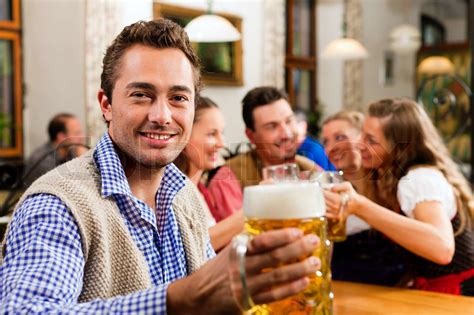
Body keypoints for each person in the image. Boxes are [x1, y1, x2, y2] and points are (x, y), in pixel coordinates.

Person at [0, 19, 322, 313]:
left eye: (179, 98)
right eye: (142, 94)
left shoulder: (185, 196)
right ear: (106, 104)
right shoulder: (58, 205)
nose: (162, 116)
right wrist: (179, 299)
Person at [328, 98, 474, 295]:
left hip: (461, 296)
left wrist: (360, 206)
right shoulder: (391, 180)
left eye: (370, 140)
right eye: (362, 134)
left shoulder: (419, 178)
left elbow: (442, 248)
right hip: (432, 292)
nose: (360, 145)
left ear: (398, 147)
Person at [321, 110, 407, 286]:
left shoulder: (391, 184)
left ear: (362, 140)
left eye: (340, 137)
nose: (331, 148)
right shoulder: (328, 188)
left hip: (396, 288)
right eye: (326, 141)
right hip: (345, 286)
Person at [175, 96, 244, 251]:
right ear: (185, 134)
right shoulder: (173, 192)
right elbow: (195, 247)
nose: (222, 143)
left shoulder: (201, 190)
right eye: (212, 134)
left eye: (222, 133)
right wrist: (252, 210)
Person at [227, 86, 321, 188]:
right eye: (272, 126)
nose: (287, 134)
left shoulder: (310, 169)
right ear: (251, 136)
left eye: (289, 121)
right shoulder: (229, 177)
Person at [22, 113, 86, 187]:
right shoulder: (42, 159)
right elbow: (68, 186)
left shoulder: (71, 152)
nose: (82, 137)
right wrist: (81, 160)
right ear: (61, 137)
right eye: (77, 133)